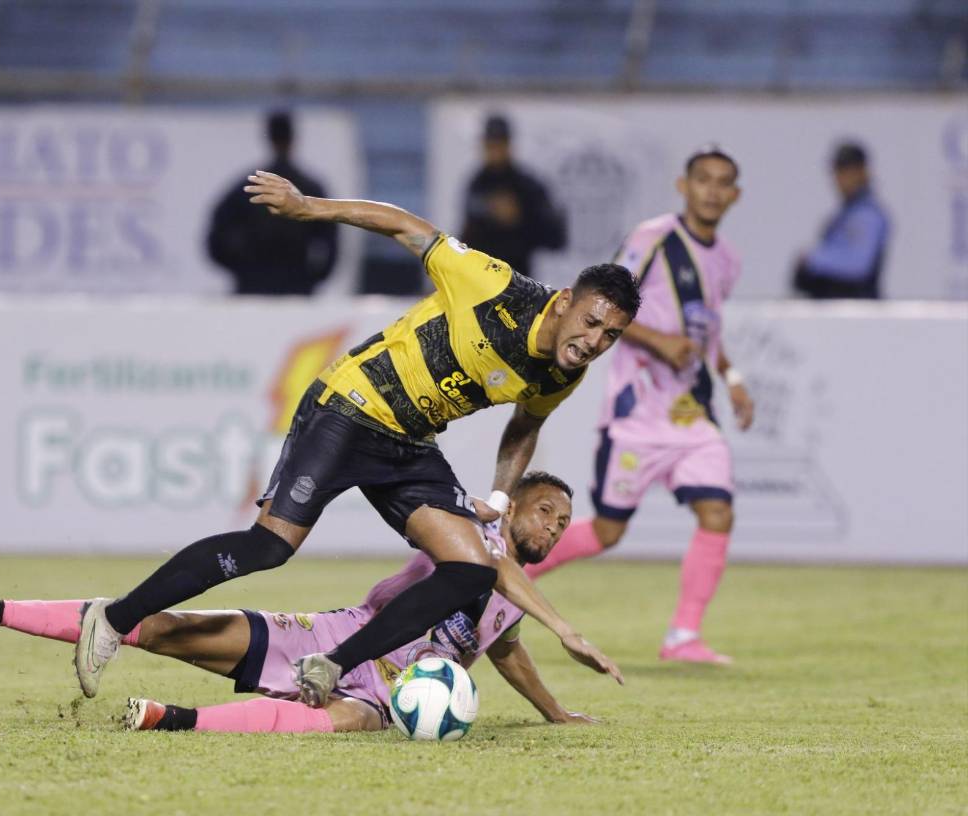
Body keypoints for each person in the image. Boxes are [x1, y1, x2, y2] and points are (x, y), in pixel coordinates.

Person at [74, 168, 640, 705]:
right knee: (269, 547)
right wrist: (307, 207)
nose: (594, 341)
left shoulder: (564, 372)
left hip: (410, 442)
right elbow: (403, 224)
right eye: (591, 322)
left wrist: (498, 495)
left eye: (610, 335)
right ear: (564, 302)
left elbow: (526, 424)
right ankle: (114, 619)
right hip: (352, 405)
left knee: (471, 568)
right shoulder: (494, 287)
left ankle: (332, 665)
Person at [0, 472, 603, 733]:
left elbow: (507, 652)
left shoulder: (516, 601)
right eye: (544, 511)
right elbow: (492, 568)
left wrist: (555, 714)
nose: (552, 527)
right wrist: (566, 627)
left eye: (562, 522)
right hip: (337, 638)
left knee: (347, 723)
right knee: (173, 628)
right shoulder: (472, 537)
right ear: (511, 509)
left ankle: (173, 720)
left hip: (389, 693)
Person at [524, 146, 754, 665]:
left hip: (692, 414)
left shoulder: (728, 259)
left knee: (717, 511)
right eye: (704, 179)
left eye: (723, 183)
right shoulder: (652, 239)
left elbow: (709, 331)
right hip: (637, 415)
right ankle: (506, 571)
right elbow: (604, 308)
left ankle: (683, 637)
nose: (713, 190)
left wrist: (732, 377)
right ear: (684, 185)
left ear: (735, 195)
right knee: (608, 532)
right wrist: (659, 342)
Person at [206, 111, 338, 295]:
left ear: (268, 137)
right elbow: (331, 240)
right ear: (293, 138)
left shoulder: (248, 187)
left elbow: (216, 235)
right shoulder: (311, 188)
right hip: (296, 284)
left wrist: (241, 270)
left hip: (254, 284)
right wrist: (312, 277)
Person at [460, 114, 566, 279]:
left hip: (517, 279)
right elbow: (469, 234)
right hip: (481, 279)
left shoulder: (527, 186)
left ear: (509, 144)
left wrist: (521, 218)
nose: (494, 150)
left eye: (499, 143)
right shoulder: (477, 184)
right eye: (490, 144)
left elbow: (555, 239)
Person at [792, 142, 889, 299]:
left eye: (848, 170)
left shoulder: (868, 216)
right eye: (838, 171)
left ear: (863, 172)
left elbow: (858, 265)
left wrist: (814, 260)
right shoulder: (843, 215)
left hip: (857, 306)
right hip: (836, 304)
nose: (841, 178)